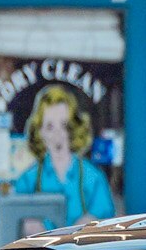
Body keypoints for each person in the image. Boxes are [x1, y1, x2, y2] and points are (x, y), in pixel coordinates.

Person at [8, 84, 119, 224]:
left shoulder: (92, 177)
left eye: (64, 125)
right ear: (39, 131)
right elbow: (13, 218)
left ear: (74, 128)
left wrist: (88, 224)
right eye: (50, 127)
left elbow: (107, 219)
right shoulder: (28, 180)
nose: (57, 134)